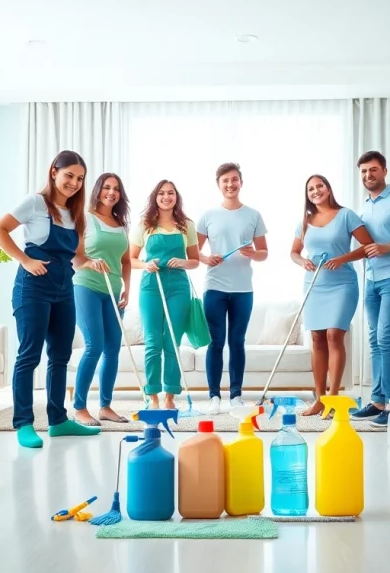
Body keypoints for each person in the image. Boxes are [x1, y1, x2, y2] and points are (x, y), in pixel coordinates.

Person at [0, 150, 102, 449]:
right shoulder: (34, 202)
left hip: (64, 288)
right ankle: (24, 423)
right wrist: (25, 259)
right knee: (29, 355)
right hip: (33, 288)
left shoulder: (77, 214)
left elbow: (75, 257)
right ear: (54, 171)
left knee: (61, 356)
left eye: (80, 178)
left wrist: (89, 262)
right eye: (69, 175)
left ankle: (58, 420)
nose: (74, 183)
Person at [290, 175, 374, 417]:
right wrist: (302, 261)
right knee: (317, 338)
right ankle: (319, 398)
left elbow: (367, 247)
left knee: (334, 334)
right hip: (314, 283)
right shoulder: (305, 222)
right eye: (311, 188)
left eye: (320, 186)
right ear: (307, 194)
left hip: (342, 283)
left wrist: (342, 259)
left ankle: (333, 397)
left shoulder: (346, 215)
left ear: (328, 188)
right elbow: (294, 252)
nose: (316, 191)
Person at [196, 162, 268, 413]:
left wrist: (253, 253)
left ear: (241, 182)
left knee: (237, 341)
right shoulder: (208, 216)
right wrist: (207, 258)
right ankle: (214, 397)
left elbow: (264, 253)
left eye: (234, 179)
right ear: (219, 185)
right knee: (215, 342)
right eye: (225, 180)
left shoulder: (253, 215)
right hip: (214, 287)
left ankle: (236, 396)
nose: (230, 184)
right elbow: (193, 252)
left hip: (243, 289)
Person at [349, 151, 390, 429]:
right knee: (374, 340)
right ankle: (377, 401)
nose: (368, 175)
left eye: (373, 170)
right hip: (370, 280)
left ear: (385, 171)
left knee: (388, 338)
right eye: (363, 171)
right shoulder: (362, 207)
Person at [128, 180, 200, 409]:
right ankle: (153, 396)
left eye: (170, 193)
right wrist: (145, 264)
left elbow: (196, 261)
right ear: (155, 197)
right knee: (152, 342)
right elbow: (130, 260)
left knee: (172, 342)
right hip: (151, 285)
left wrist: (184, 262)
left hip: (178, 286)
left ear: (176, 197)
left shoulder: (186, 225)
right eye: (161, 193)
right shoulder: (145, 225)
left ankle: (170, 396)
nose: (166, 197)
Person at [70, 173, 132, 425]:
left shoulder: (120, 223)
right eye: (106, 187)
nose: (111, 192)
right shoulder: (84, 218)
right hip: (87, 287)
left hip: (113, 292)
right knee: (94, 345)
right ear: (97, 190)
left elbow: (126, 261)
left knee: (112, 350)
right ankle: (79, 408)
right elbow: (74, 257)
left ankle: (105, 407)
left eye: (116, 188)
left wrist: (127, 288)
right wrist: (89, 262)